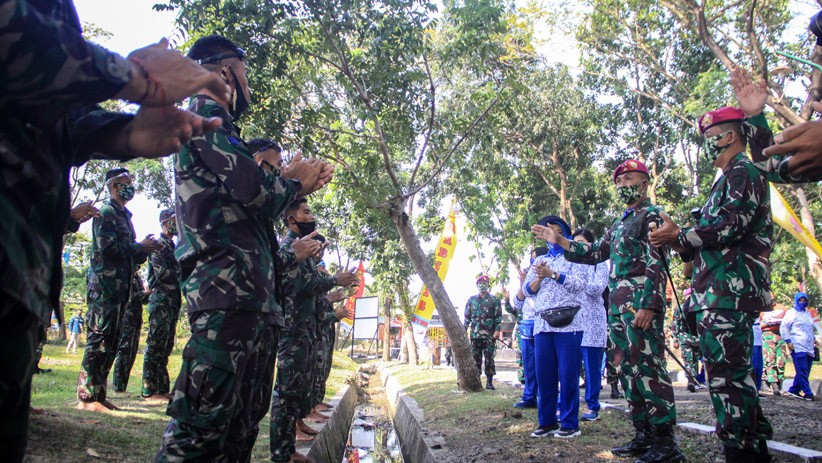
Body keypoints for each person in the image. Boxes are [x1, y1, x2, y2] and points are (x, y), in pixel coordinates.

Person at [1, 1, 229, 456]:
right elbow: (12, 39)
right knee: (105, 340)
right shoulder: (109, 217)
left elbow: (49, 117)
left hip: (20, 273)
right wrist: (132, 77)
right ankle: (91, 392)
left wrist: (125, 135)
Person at [154, 35, 331, 462]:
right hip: (225, 297)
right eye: (245, 73)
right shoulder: (205, 116)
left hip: (248, 300)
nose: (248, 85)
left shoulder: (221, 127)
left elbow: (247, 204)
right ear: (227, 72)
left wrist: (283, 186)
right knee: (199, 434)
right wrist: (293, 184)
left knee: (238, 431)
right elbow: (256, 190)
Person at [649, 105, 775, 462]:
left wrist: (683, 235)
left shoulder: (743, 171)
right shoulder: (726, 178)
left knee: (727, 378)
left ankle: (743, 451)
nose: (707, 146)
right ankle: (749, 445)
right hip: (715, 290)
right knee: (727, 375)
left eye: (710, 138)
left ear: (729, 136)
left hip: (729, 290)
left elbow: (731, 224)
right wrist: (678, 240)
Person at [537, 160, 683, 462]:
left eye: (629, 178)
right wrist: (560, 240)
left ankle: (666, 442)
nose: (623, 185)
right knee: (627, 370)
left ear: (644, 182)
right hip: (617, 308)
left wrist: (650, 304)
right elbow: (593, 254)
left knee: (649, 370)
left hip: (640, 304)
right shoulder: (619, 224)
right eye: (618, 181)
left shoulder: (651, 216)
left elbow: (657, 261)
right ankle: (643, 434)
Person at [271, 199, 357, 463]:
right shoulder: (289, 248)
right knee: (286, 393)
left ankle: (288, 448)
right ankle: (281, 453)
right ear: (291, 220)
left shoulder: (304, 251)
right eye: (305, 212)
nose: (311, 216)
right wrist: (334, 280)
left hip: (305, 330)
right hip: (292, 331)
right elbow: (300, 284)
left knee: (296, 389)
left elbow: (311, 285)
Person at [77, 168, 162, 411]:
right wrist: (138, 247)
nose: (130, 186)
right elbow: (108, 249)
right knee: (99, 340)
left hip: (120, 288)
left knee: (112, 342)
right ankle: (86, 398)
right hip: (104, 286)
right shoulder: (106, 212)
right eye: (126, 182)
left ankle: (98, 395)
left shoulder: (124, 215)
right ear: (114, 186)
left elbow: (129, 256)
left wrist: (142, 251)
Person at [524, 216, 586, 439]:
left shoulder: (576, 257)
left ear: (565, 234)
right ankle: (547, 422)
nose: (552, 234)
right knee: (544, 375)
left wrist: (554, 274)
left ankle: (570, 423)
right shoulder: (539, 260)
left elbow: (580, 285)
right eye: (548, 230)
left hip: (569, 324)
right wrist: (540, 277)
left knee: (568, 374)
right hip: (542, 325)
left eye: (558, 231)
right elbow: (527, 291)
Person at [141, 209, 182, 401]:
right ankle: (149, 390)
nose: (177, 223)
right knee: (156, 343)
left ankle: (161, 388)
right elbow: (162, 274)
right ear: (165, 222)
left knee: (166, 345)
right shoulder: (158, 246)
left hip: (172, 300)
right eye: (174, 219)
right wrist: (183, 272)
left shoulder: (173, 246)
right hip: (161, 299)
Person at [573, 229, 610, 422]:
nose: (578, 246)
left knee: (591, 367)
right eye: (574, 243)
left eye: (582, 242)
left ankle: (592, 405)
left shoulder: (600, 263)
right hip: (573, 320)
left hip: (593, 321)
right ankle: (568, 406)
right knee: (569, 366)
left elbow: (597, 288)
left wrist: (576, 284)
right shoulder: (570, 262)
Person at [508, 247, 548, 409]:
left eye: (536, 257)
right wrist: (523, 283)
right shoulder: (528, 275)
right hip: (527, 324)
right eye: (532, 258)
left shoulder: (551, 272)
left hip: (544, 322)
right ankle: (529, 396)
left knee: (544, 364)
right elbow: (517, 303)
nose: (534, 261)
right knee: (529, 364)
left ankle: (545, 398)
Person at [112, 270, 151, 392]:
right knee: (124, 351)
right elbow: (128, 296)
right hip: (126, 318)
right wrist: (144, 293)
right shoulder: (124, 274)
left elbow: (144, 301)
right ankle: (118, 386)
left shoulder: (137, 276)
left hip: (136, 318)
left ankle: (123, 385)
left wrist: (147, 293)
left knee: (132, 352)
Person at [464, 274, 503, 390]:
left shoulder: (494, 300)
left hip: (489, 336)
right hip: (475, 336)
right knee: (475, 359)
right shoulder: (471, 300)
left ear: (488, 285)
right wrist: (464, 330)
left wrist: (497, 331)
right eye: (480, 284)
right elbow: (467, 317)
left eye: (484, 284)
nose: (482, 286)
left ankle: (489, 383)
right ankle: (477, 382)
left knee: (489, 358)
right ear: (477, 285)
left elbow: (498, 317)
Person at [781, 293, 816, 401]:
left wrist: (814, 339)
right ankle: (807, 392)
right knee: (802, 369)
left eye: (804, 300)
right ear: (796, 301)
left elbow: (810, 328)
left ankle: (794, 389)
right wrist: (788, 341)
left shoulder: (807, 313)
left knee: (806, 370)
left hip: (809, 346)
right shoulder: (791, 313)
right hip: (797, 345)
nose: (802, 302)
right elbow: (784, 327)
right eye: (800, 300)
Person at [761, 301, 787, 396]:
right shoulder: (762, 309)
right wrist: (768, 323)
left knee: (781, 359)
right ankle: (772, 383)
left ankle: (780, 382)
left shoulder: (781, 308)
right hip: (768, 334)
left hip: (780, 334)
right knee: (769, 359)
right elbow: (758, 325)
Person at [752, 316, 764, 394]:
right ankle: (752, 388)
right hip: (752, 335)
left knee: (759, 366)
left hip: (758, 337)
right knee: (754, 365)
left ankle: (757, 389)